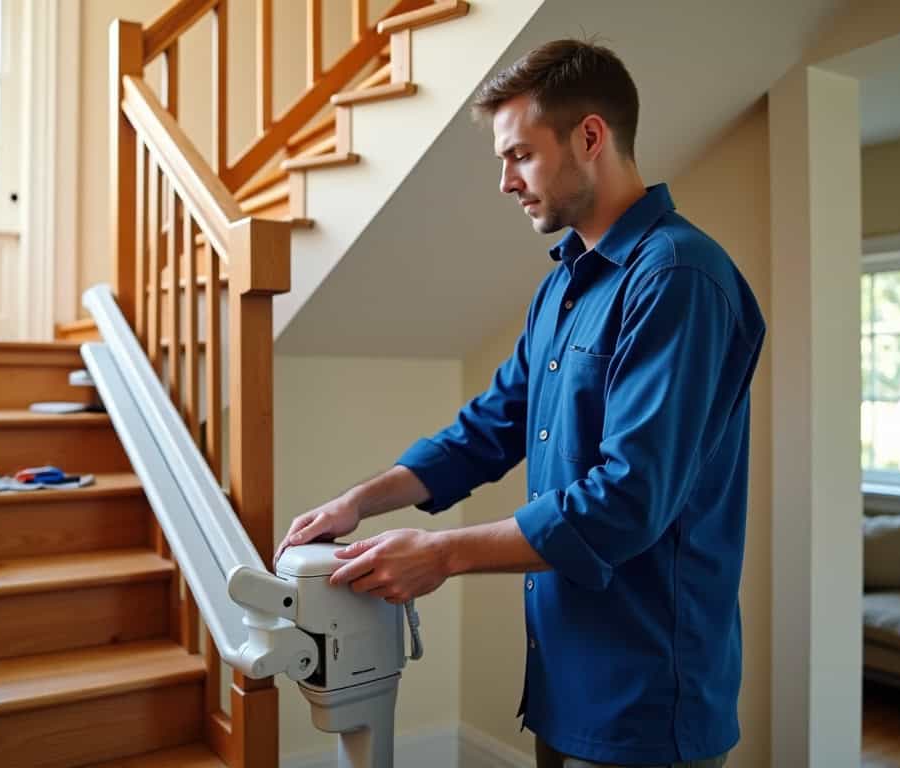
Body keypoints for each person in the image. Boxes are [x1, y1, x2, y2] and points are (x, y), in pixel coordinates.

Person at [276, 39, 764, 768]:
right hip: (564, 680)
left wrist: (440, 554)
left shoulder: (678, 278)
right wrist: (360, 502)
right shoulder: (563, 285)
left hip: (647, 700)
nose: (505, 181)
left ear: (590, 136)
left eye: (520, 155)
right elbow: (491, 426)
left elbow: (628, 499)